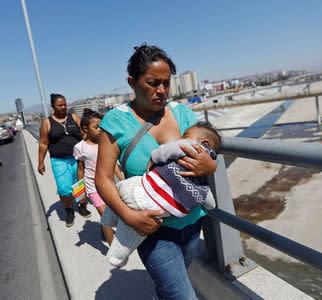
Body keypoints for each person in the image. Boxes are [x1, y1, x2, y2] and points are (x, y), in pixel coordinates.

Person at [96, 44, 217, 299]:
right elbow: (103, 178)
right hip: (152, 230)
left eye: (166, 83)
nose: (161, 91)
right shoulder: (116, 122)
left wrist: (211, 165)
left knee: (169, 291)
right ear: (132, 82)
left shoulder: (183, 113)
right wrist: (129, 216)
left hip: (192, 222)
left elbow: (204, 151)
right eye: (152, 83)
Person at [102, 122, 221, 267]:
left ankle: (108, 220)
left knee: (121, 188)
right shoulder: (201, 181)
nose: (181, 138)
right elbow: (209, 201)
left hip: (142, 189)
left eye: (186, 136)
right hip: (160, 212)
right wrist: (212, 168)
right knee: (130, 237)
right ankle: (117, 257)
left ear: (203, 143)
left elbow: (168, 149)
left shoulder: (192, 146)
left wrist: (154, 158)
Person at [38, 93, 91, 227]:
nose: (63, 107)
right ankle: (69, 210)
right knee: (64, 189)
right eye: (59, 105)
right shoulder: (47, 122)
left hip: (77, 159)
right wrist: (40, 162)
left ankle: (82, 205)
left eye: (65, 104)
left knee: (79, 184)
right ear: (53, 106)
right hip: (59, 160)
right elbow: (44, 143)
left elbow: (84, 134)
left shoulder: (74, 117)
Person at [73, 109, 124, 245]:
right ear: (85, 129)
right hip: (93, 188)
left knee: (115, 214)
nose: (100, 130)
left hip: (109, 184)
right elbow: (80, 170)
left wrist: (122, 180)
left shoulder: (106, 143)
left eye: (101, 127)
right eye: (96, 127)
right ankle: (113, 248)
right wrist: (80, 194)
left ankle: (106, 231)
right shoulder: (80, 147)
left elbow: (113, 165)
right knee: (106, 217)